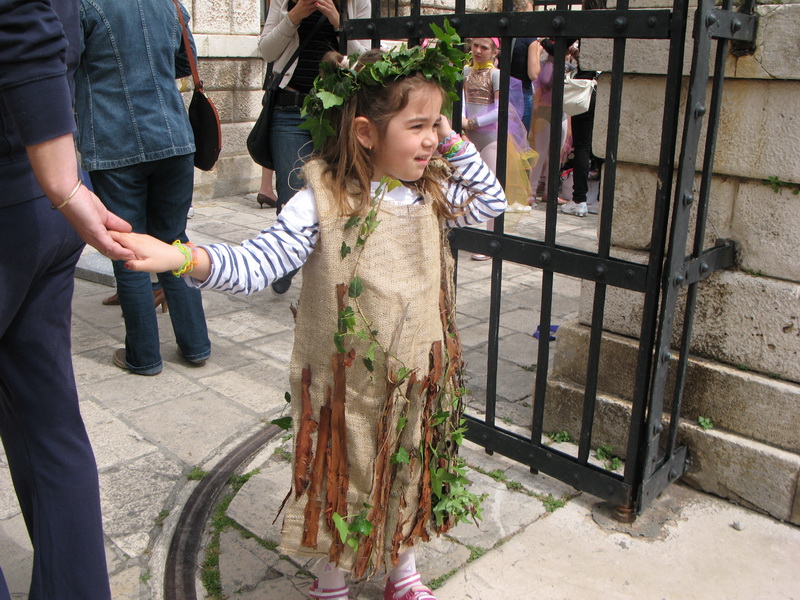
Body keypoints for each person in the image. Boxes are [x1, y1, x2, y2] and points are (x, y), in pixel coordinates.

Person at [111, 31, 506, 600]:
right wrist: (182, 257)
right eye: (416, 127)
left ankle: (404, 572)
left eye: (435, 125)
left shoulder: (433, 193)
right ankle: (332, 578)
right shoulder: (322, 199)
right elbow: (256, 263)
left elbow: (492, 203)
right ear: (366, 133)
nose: (429, 140)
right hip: (344, 384)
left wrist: (451, 143)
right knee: (339, 478)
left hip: (418, 375)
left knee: (409, 467)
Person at [0, 0, 134, 596]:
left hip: (44, 185)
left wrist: (60, 176)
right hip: (43, 200)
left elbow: (21, 19)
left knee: (49, 423)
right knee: (48, 421)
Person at [74, 0, 211, 376]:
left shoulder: (83, 5)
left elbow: (62, 64)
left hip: (112, 141)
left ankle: (144, 356)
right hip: (172, 137)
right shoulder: (169, 3)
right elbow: (186, 64)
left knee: (128, 249)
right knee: (175, 242)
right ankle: (196, 345)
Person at [257, 0, 370, 294]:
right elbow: (267, 51)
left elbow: (365, 61)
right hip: (290, 110)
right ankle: (288, 258)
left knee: (339, 193)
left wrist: (338, 23)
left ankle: (326, 271)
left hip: (337, 112)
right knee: (292, 193)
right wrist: (293, 17)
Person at [562, 0, 607, 217]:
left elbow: (558, 44)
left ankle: (579, 199)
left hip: (586, 91)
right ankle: (600, 201)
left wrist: (542, 41)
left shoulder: (584, 26)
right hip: (607, 89)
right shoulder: (612, 24)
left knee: (582, 147)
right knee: (604, 147)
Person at [528, 38, 570, 209]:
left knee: (556, 155)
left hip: (562, 113)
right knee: (541, 154)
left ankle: (550, 192)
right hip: (544, 112)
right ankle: (531, 192)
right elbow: (543, 82)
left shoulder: (568, 66)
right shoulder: (545, 66)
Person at [509, 0, 541, 134]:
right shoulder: (530, 38)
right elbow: (533, 74)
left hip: (503, 90)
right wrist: (538, 52)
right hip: (522, 92)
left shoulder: (506, 34)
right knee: (520, 139)